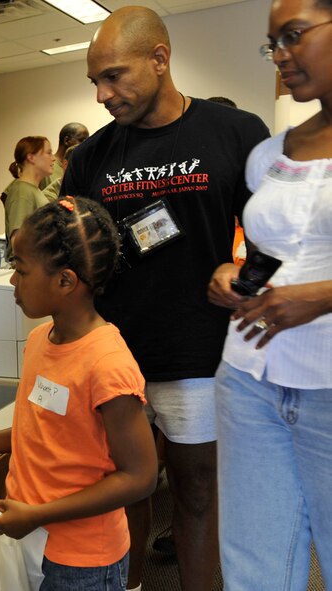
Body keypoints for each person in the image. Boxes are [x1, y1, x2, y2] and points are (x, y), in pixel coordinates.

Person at [60, 7, 270, 591]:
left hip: (197, 353)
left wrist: (244, 272)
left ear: (160, 59)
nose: (103, 95)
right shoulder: (90, 158)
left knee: (196, 494)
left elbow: (274, 239)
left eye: (114, 76)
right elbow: (71, 252)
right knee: (127, 491)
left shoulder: (235, 132)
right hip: (112, 357)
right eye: (94, 82)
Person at [0, 197, 156, 590]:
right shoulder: (38, 340)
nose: (12, 280)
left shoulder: (108, 364)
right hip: (32, 540)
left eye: (20, 270)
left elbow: (140, 476)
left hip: (83, 560)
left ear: (64, 281)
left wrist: (38, 514)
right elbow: (43, 435)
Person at [207, 0, 332, 586]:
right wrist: (232, 277)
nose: (280, 54)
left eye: (293, 35)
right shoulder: (270, 153)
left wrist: (322, 296)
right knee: (253, 563)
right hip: (248, 378)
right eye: (271, 43)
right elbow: (264, 251)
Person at [1, 136, 55, 261]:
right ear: (31, 157)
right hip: (30, 271)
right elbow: (17, 241)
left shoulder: (33, 190)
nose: (53, 158)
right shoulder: (22, 191)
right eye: (48, 153)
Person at [41, 122, 89, 197]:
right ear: (66, 141)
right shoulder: (47, 167)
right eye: (82, 140)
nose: (85, 145)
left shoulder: (81, 167)